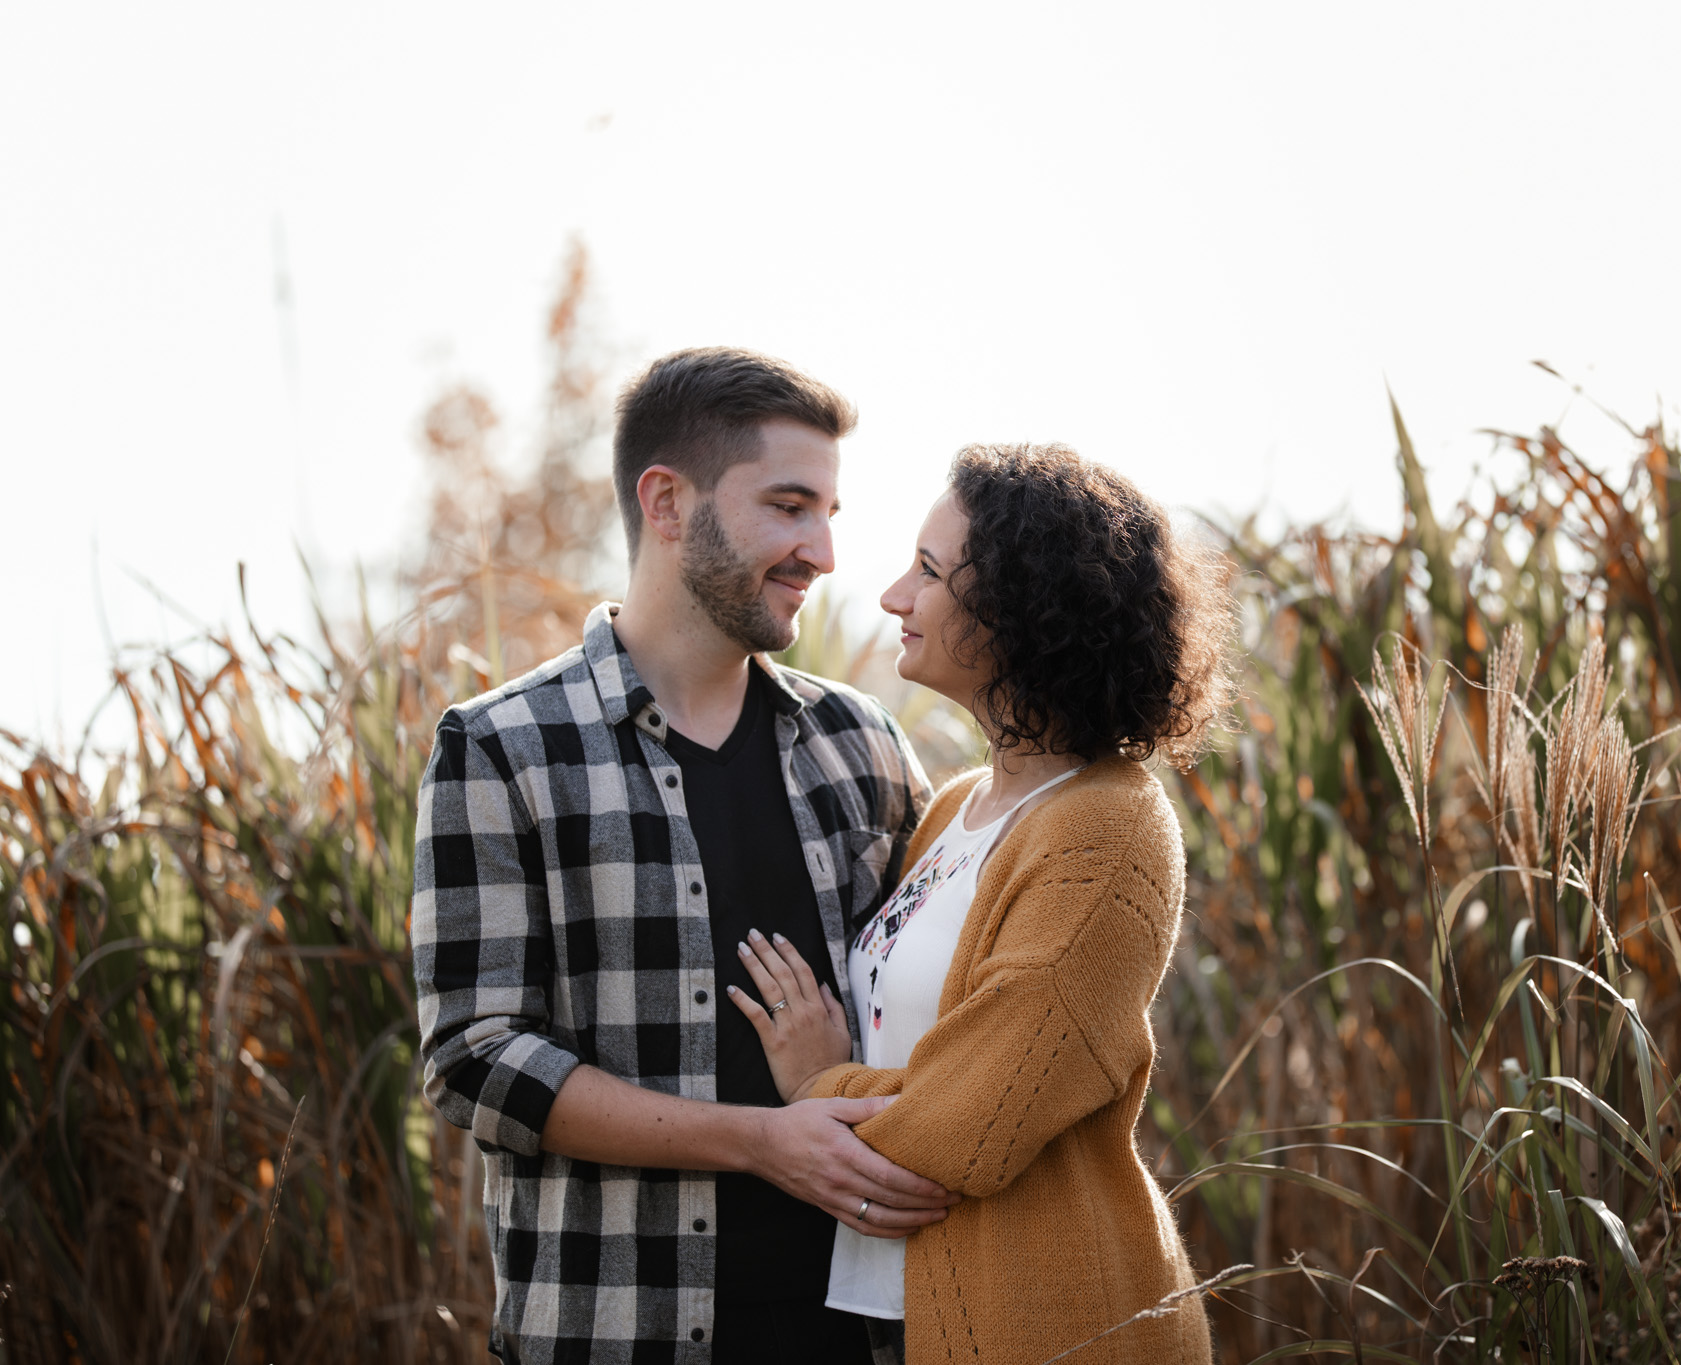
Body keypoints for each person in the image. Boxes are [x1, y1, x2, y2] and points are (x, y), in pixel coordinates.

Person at [411, 347, 956, 1365]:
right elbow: (475, 1064)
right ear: (666, 503)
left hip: (864, 1339)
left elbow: (942, 1000)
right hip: (617, 1336)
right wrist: (762, 1140)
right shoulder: (500, 748)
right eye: (790, 507)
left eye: (829, 514)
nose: (822, 552)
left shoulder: (863, 744)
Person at [728, 444, 1234, 1364]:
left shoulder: (1107, 829)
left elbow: (971, 1124)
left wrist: (815, 1084)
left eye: (927, 570)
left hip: (1059, 1324)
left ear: (1019, 605)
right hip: (903, 1311)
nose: (892, 596)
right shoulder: (961, 805)